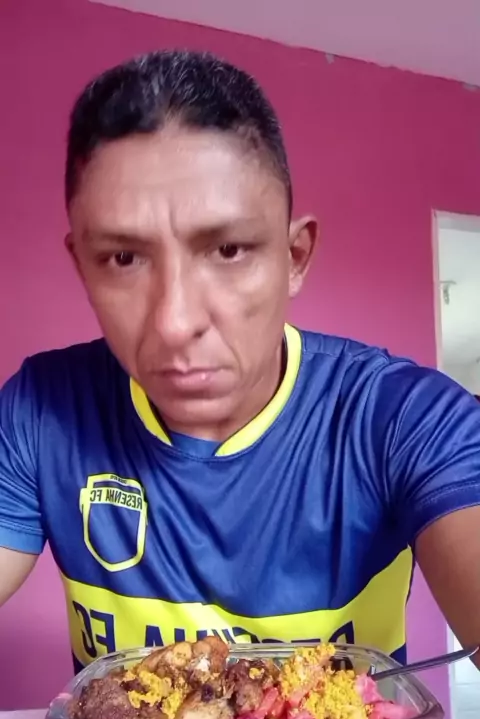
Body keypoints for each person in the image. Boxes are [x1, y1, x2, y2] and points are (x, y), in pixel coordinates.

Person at [1, 49, 479, 676]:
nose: (174, 322)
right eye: (123, 258)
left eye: (228, 249)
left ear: (294, 257)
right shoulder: (41, 412)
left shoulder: (405, 418)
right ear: (82, 267)